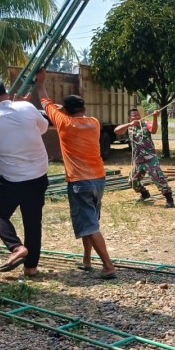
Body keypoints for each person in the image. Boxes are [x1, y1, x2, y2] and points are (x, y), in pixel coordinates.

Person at [36, 70, 116, 278]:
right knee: (91, 222)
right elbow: (60, 110)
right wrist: (64, 109)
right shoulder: (94, 123)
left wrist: (41, 83)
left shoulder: (64, 123)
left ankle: (108, 266)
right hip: (99, 179)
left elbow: (44, 100)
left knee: (89, 225)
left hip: (80, 182)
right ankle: (87, 260)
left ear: (66, 111)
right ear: (84, 109)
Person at [0, 78, 50, 276]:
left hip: (11, 179)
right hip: (38, 175)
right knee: (33, 221)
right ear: (6, 93)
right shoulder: (26, 107)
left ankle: (17, 248)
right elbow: (43, 128)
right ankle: (31, 268)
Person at [114, 107, 174, 208]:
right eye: (134, 116)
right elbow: (116, 131)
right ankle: (144, 194)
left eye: (138, 115)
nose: (137, 117)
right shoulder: (129, 127)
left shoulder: (146, 124)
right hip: (138, 159)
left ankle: (169, 199)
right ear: (130, 118)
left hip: (150, 158)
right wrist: (129, 124)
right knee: (132, 181)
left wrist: (155, 117)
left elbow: (154, 130)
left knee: (158, 178)